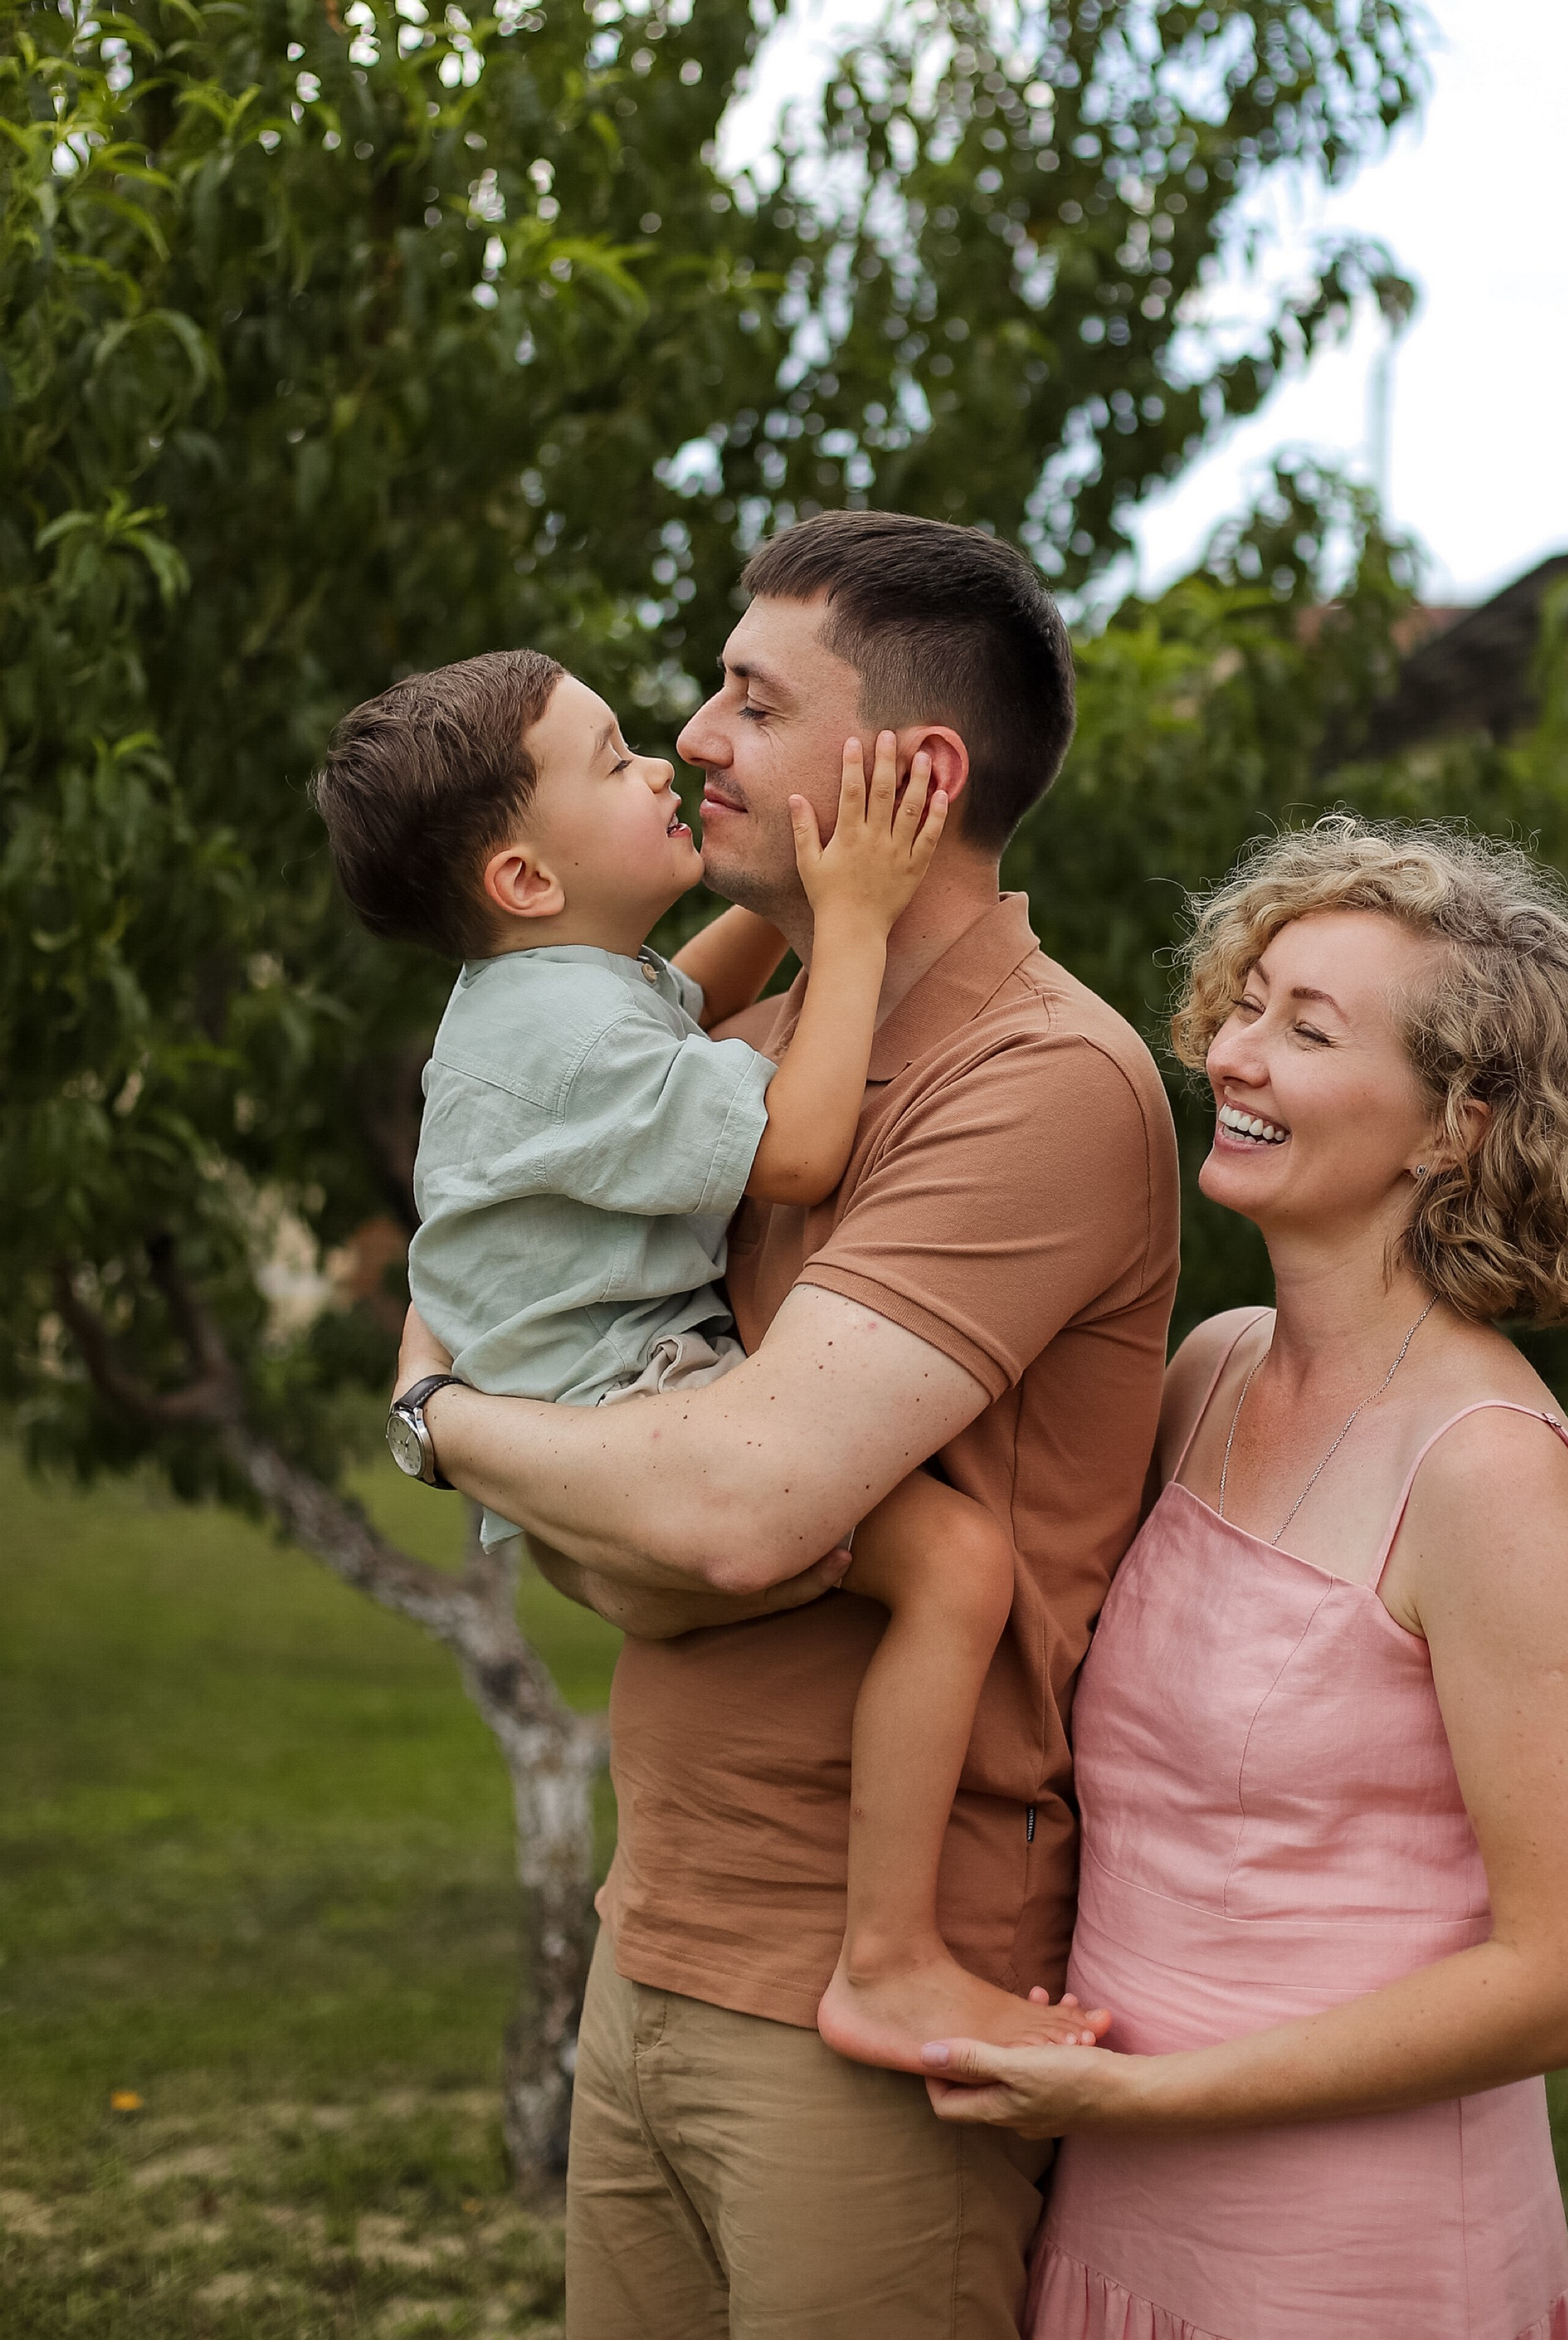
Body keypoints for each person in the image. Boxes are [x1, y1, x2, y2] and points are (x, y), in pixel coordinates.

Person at [388, 512, 1181, 2340]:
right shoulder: (743, 1053)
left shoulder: (1040, 1083)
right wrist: (552, 1457)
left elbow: (729, 1517)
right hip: (656, 1934)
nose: (691, 738)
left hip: (854, 2003)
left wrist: (438, 1420)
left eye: (752, 699)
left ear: (909, 771)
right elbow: (614, 1503)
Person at [922, 819, 1568, 2340]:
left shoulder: (1485, 1462)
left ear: (1451, 1128)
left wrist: (1147, 2092)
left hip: (1347, 2252)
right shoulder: (1207, 1371)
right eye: (1243, 1004)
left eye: (1304, 1029)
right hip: (1121, 2203)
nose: (1233, 1056)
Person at [317, 645, 1082, 2073]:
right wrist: (849, 919)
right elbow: (795, 1149)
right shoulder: (566, 1035)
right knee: (962, 1567)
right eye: (611, 762)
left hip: (558, 1445)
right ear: (526, 882)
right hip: (634, 1419)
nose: (664, 760)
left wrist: (803, 898)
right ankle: (893, 1959)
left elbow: (682, 992)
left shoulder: (556, 993)